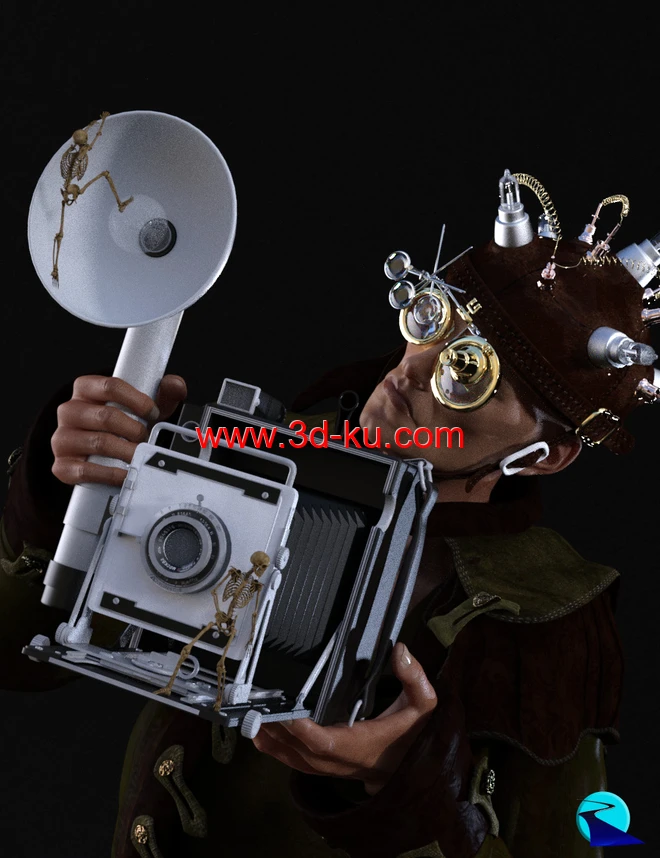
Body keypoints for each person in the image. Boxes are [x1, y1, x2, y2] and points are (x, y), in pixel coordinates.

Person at [1, 172, 656, 857]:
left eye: (468, 372)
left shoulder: (550, 621)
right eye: (431, 319)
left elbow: (594, 843)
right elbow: (22, 659)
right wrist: (68, 497)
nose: (412, 371)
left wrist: (405, 787)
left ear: (545, 456)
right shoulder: (264, 459)